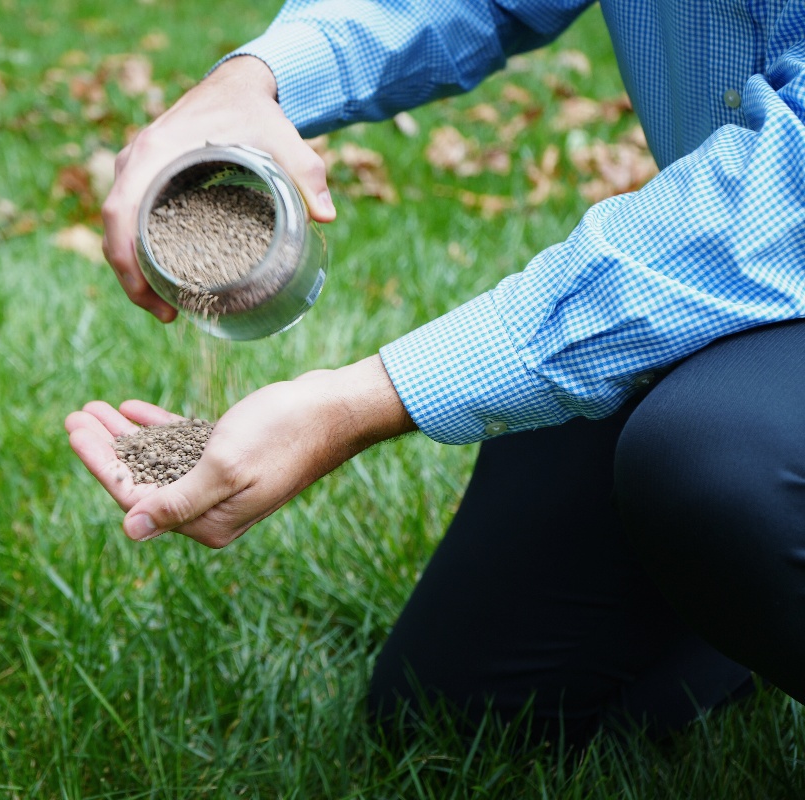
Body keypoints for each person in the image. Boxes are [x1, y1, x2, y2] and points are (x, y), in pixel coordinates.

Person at [65, 0, 805, 743]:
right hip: (710, 262)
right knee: (457, 712)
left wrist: (354, 405)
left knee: (715, 465)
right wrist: (258, 77)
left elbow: (788, 183)